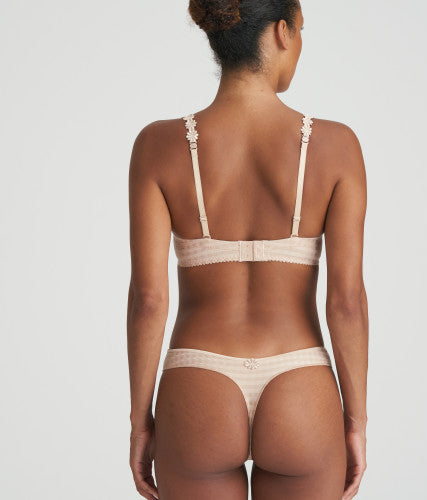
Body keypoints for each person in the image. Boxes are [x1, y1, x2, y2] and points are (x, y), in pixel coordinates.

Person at [127, 1, 368, 499]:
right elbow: (346, 303)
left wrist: (140, 421)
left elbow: (149, 300)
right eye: (300, 30)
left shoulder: (157, 145)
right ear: (281, 32)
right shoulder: (337, 146)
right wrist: (356, 421)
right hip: (301, 389)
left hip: (199, 389)